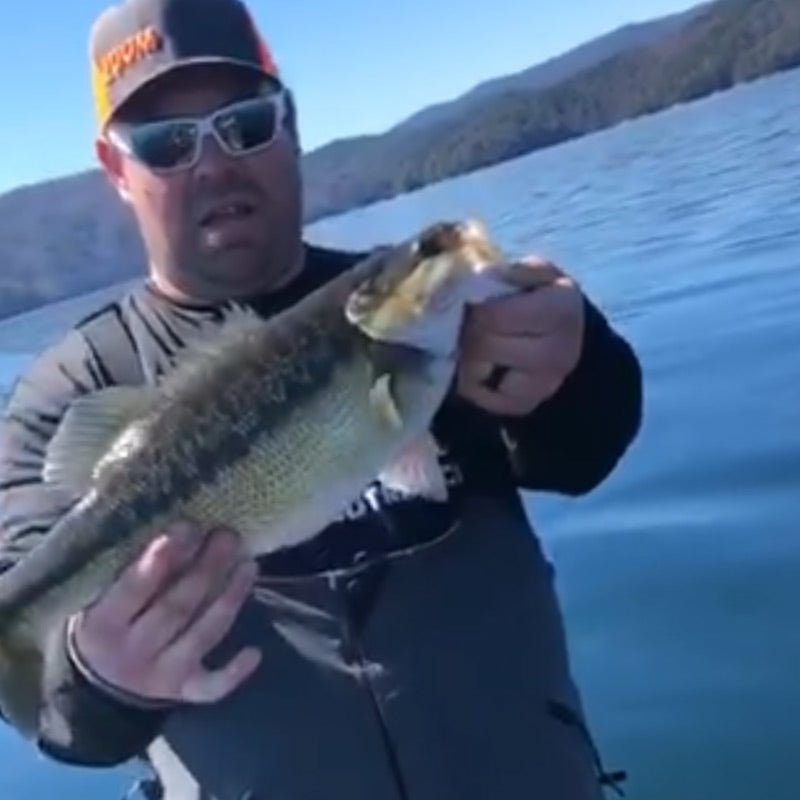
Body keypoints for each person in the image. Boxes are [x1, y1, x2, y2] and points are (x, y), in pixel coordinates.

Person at [0, 0, 642, 797]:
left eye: (245, 124)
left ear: (291, 125)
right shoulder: (67, 392)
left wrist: (579, 360)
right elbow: (60, 711)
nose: (212, 164)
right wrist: (95, 673)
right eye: (167, 145)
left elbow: (582, 452)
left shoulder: (434, 309)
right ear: (116, 171)